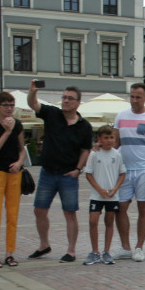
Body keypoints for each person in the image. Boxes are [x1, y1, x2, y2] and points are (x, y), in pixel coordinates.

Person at [27, 81, 93, 262]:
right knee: (39, 210)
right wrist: (33, 92)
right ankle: (44, 245)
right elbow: (33, 104)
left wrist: (78, 170)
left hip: (68, 174)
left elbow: (85, 150)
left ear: (78, 103)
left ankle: (71, 251)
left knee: (69, 212)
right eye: (64, 97)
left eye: (70, 99)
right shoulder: (52, 114)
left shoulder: (84, 126)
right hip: (48, 172)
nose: (66, 101)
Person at [114, 83, 145, 262]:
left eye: (138, 97)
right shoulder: (121, 116)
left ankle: (139, 247)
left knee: (143, 207)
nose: (134, 100)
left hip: (144, 169)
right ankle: (125, 247)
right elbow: (116, 142)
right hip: (125, 170)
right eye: (132, 96)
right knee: (121, 207)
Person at [0, 91, 26, 268]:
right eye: (6, 105)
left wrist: (19, 162)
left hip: (14, 171)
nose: (9, 109)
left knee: (12, 212)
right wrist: (7, 131)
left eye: (12, 105)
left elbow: (22, 149)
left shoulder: (18, 124)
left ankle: (10, 252)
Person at [82, 125, 125, 265]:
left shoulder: (117, 154)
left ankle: (107, 251)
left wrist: (115, 189)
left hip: (112, 195)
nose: (109, 140)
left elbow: (122, 174)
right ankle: (95, 252)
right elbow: (88, 174)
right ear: (99, 139)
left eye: (111, 137)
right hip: (97, 195)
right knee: (93, 221)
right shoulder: (94, 154)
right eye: (106, 138)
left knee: (109, 221)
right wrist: (99, 189)